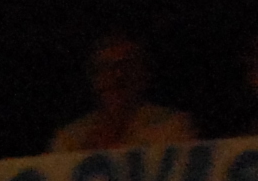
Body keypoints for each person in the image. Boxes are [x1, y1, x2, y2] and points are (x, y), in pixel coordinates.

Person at [51, 32, 196, 153]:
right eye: (106, 67)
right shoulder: (70, 139)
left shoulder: (172, 127)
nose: (117, 75)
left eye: (126, 66)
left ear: (143, 73)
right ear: (94, 78)